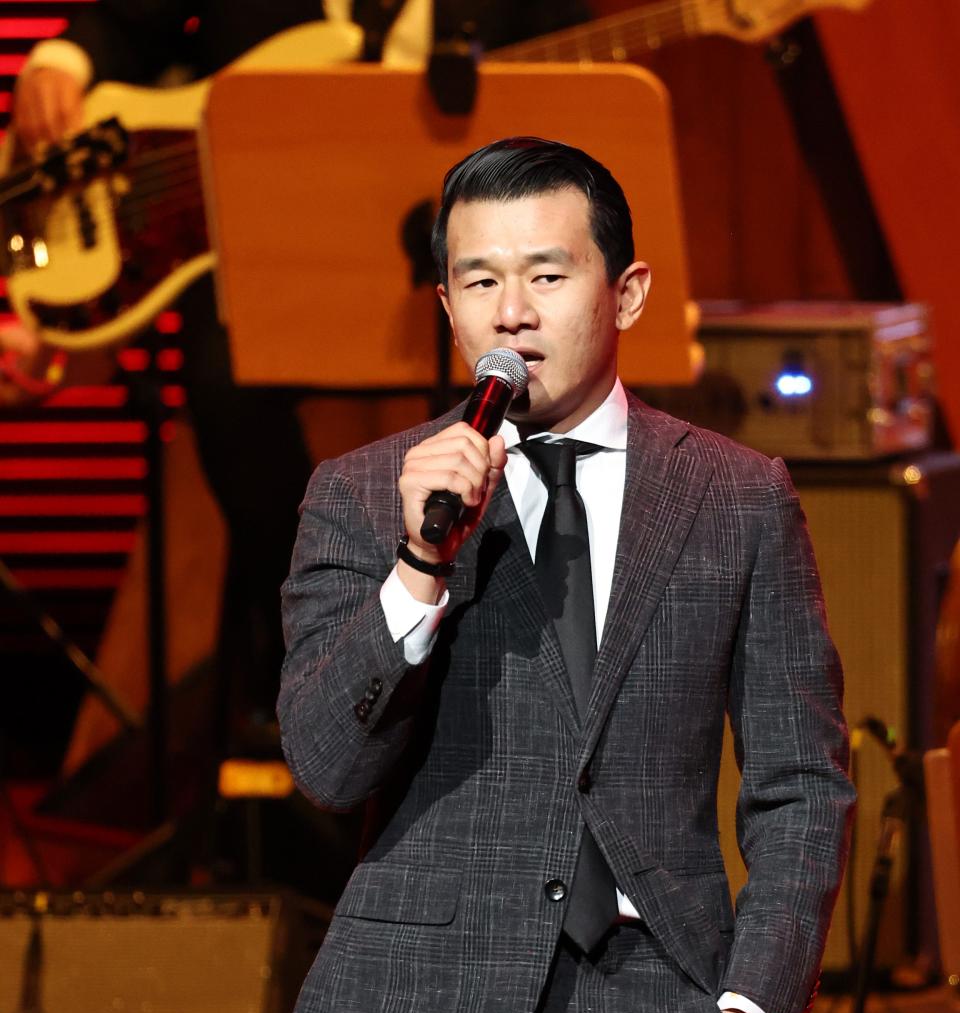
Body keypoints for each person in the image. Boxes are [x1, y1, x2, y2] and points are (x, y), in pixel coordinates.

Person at [196, 137, 855, 1013]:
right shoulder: (363, 493)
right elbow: (328, 766)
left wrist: (744, 1012)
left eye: (547, 276)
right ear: (445, 304)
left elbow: (803, 783)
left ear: (628, 292)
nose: (513, 312)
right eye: (479, 281)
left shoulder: (737, 497)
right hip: (398, 1012)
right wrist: (416, 569)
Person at [11, 1, 589, 753]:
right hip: (261, 260)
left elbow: (573, 86)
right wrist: (62, 62)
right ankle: (312, 651)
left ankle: (502, 682)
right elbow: (130, 21)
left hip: (454, 268)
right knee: (223, 378)